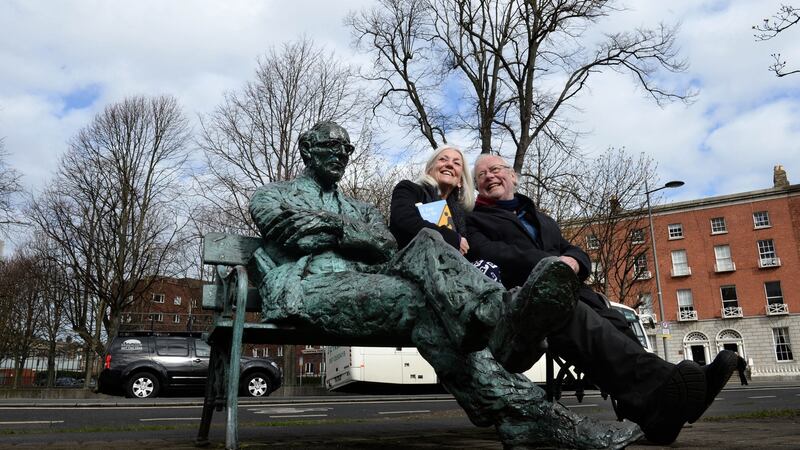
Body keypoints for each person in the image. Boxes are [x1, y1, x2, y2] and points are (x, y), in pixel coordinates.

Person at [250, 122, 641, 448]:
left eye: (346, 148)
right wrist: (349, 232)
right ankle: (504, 333)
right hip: (308, 287)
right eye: (331, 146)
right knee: (433, 298)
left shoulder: (360, 208)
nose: (341, 154)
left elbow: (383, 243)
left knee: (431, 289)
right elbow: (290, 231)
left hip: (369, 285)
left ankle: (530, 420)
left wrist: (339, 231)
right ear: (306, 148)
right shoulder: (272, 195)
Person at [466, 153, 739, 445]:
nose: (489, 177)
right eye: (481, 175)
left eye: (495, 169)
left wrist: (573, 261)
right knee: (578, 320)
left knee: (616, 322)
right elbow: (491, 254)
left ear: (513, 176)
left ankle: (656, 417)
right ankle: (676, 385)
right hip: (525, 302)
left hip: (572, 293)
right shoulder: (473, 220)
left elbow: (578, 252)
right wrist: (554, 262)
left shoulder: (542, 219)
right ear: (477, 186)